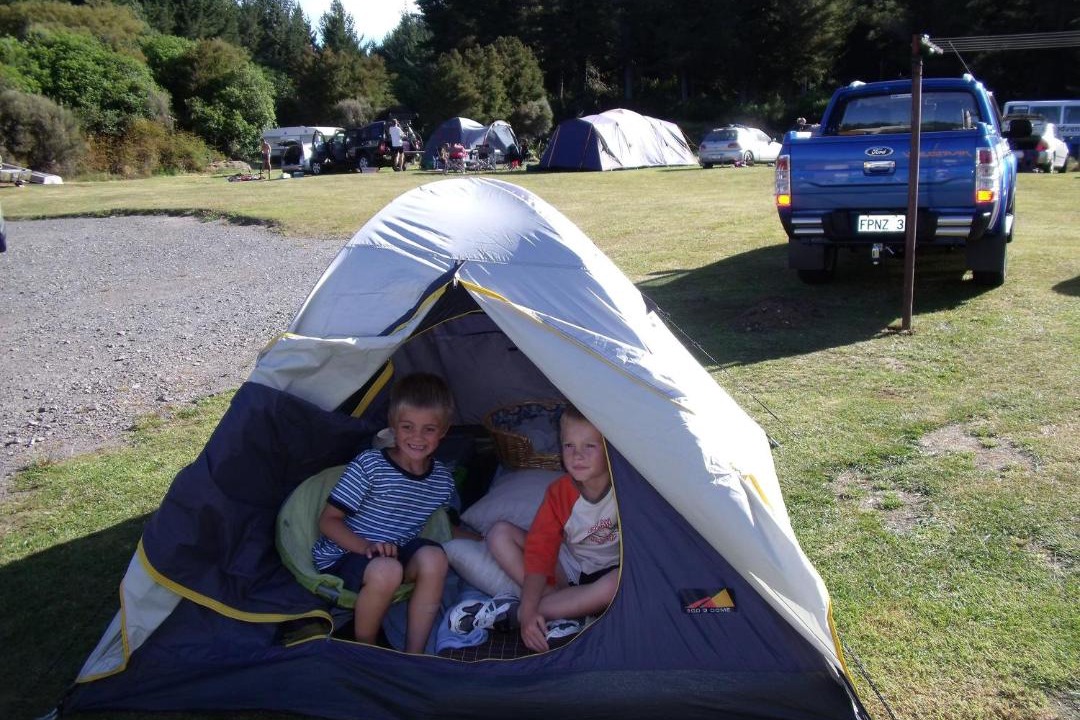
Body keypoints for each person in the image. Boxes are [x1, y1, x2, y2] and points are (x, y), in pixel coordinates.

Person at [449, 405, 620, 652]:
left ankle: (517, 613)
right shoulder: (560, 493)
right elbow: (541, 551)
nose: (577, 455)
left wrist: (527, 612)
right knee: (499, 533)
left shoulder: (624, 489)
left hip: (609, 575)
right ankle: (559, 611)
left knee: (613, 586)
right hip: (569, 569)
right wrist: (532, 607)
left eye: (589, 446)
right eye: (569, 446)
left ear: (609, 449)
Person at [311, 372, 456, 653]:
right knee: (387, 569)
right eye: (407, 427)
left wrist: (483, 540)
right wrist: (367, 547)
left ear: (444, 431)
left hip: (394, 554)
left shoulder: (442, 480)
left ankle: (414, 653)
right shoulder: (370, 466)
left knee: (435, 557)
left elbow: (446, 525)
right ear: (393, 425)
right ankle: (366, 647)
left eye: (429, 429)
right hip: (347, 555)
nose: (417, 437)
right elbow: (328, 522)